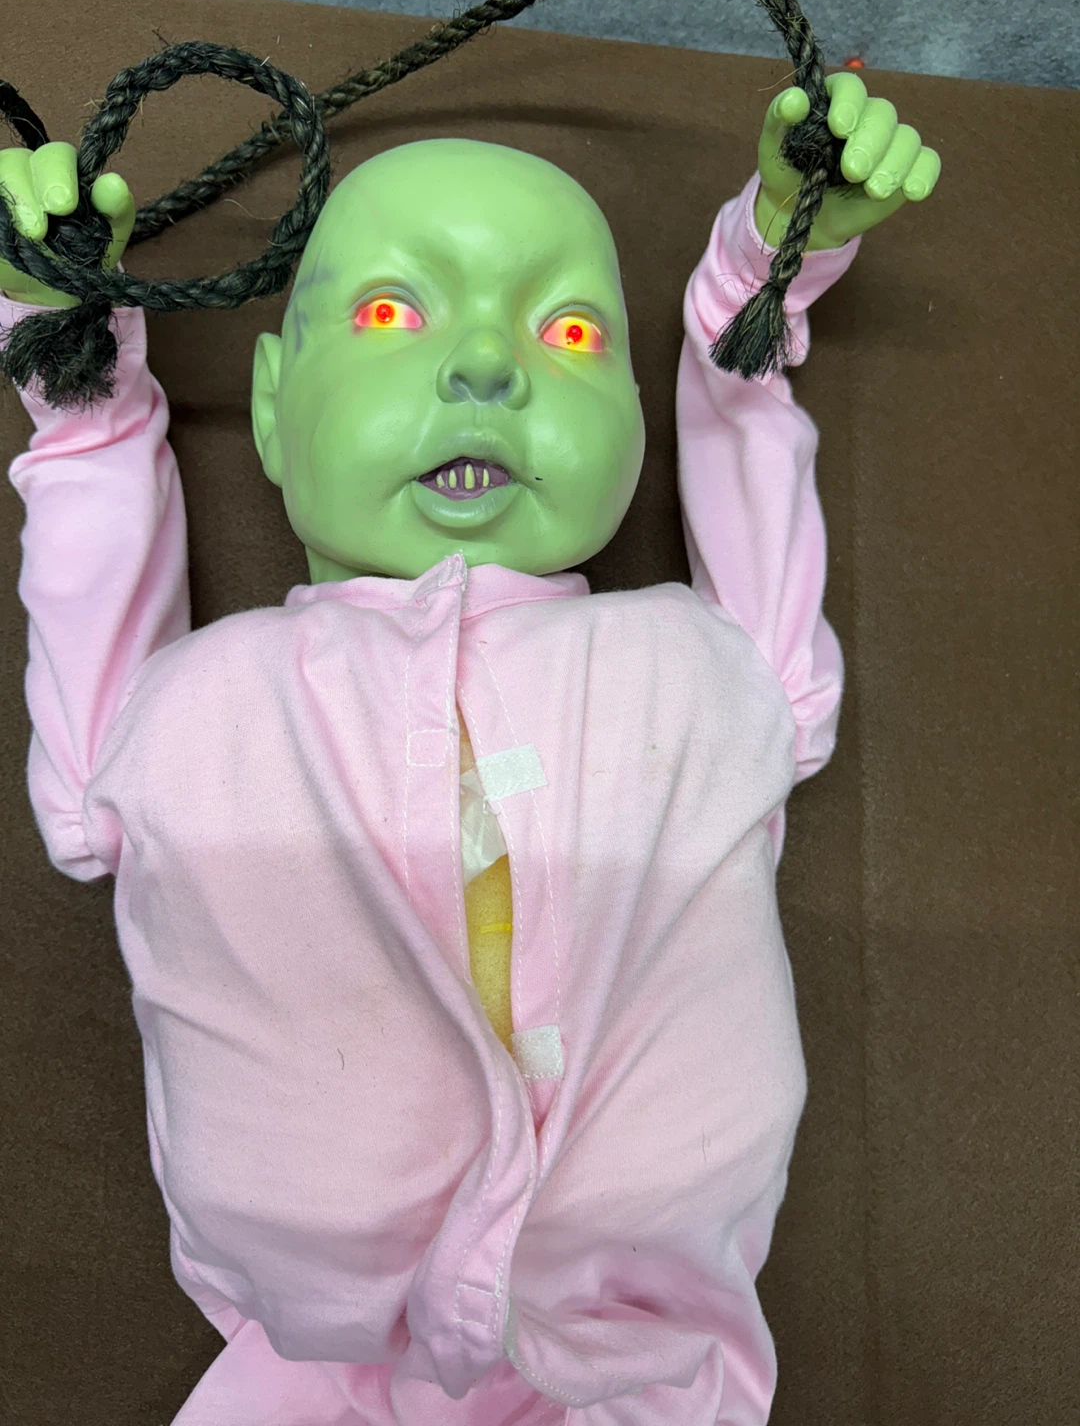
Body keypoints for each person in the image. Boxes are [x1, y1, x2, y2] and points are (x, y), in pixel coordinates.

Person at [1, 74, 938, 1425]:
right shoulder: (184, 711)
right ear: (270, 408)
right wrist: (70, 353)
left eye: (568, 332)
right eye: (393, 314)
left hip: (644, 1367)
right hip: (312, 1368)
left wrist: (768, 257)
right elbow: (87, 552)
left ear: (635, 419)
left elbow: (750, 423)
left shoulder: (711, 669)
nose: (487, 368)